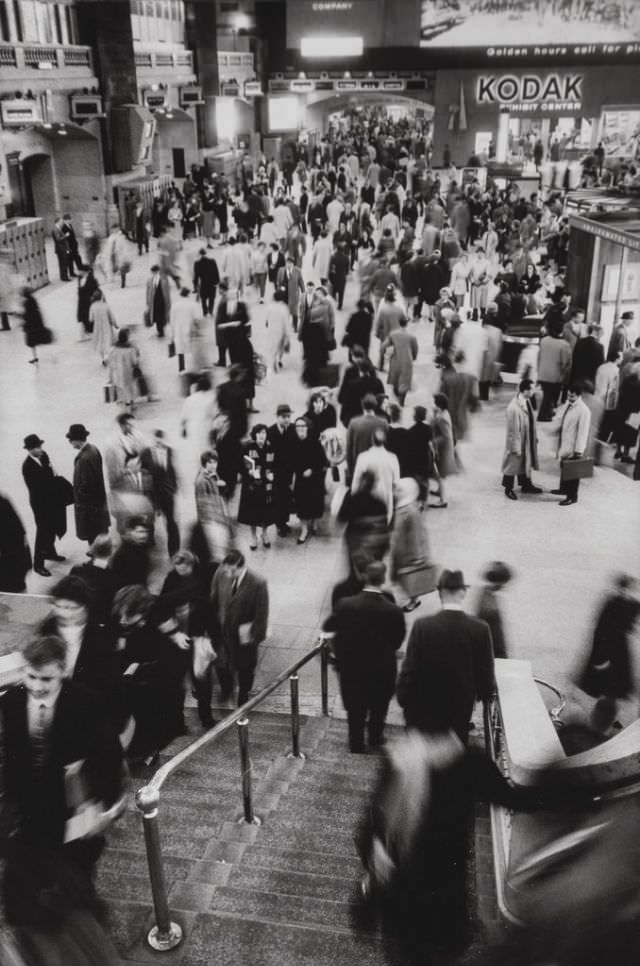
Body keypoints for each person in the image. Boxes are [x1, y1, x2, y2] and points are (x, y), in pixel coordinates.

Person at [1, 635, 124, 933]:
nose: (38, 686)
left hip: (74, 805)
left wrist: (105, 807)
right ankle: (31, 926)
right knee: (20, 877)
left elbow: (108, 758)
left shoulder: (87, 702)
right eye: (31, 676)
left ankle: (85, 926)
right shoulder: (11, 702)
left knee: (76, 872)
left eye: (47, 678)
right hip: (27, 804)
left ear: (62, 671)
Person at [396, 568, 495, 742]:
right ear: (463, 593)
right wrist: (484, 693)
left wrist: (404, 697)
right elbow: (485, 672)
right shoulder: (480, 628)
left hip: (425, 704)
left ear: (440, 593)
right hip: (460, 706)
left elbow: (409, 668)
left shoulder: (423, 626)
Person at [331, 560, 405, 753]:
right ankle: (375, 737)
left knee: (355, 709)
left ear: (365, 578)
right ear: (383, 579)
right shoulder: (394, 611)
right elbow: (397, 640)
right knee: (379, 707)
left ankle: (356, 743)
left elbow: (337, 634)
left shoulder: (345, 605)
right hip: (382, 669)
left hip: (353, 669)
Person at [111, 585, 188, 762]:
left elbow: (174, 665)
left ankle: (148, 752)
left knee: (151, 728)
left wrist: (136, 668)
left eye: (128, 616)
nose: (123, 620)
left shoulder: (161, 627)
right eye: (121, 615)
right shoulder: (126, 625)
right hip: (134, 689)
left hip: (155, 692)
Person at [577, 574, 640, 733]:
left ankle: (601, 720)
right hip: (617, 649)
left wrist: (598, 657)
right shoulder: (629, 604)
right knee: (613, 686)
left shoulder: (613, 603)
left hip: (609, 648)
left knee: (607, 685)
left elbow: (599, 628)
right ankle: (603, 719)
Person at [209, 549, 269, 705]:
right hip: (222, 631)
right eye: (226, 569)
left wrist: (255, 637)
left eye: (232, 570)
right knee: (221, 664)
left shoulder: (258, 583)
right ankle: (226, 689)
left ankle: (244, 692)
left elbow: (262, 613)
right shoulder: (221, 573)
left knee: (245, 667)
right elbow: (213, 599)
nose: (228, 573)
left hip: (244, 635)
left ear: (241, 566)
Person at [22, 434, 67, 578]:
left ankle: (50, 552)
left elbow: (52, 473)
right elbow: (39, 488)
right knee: (43, 532)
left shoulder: (44, 456)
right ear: (29, 450)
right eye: (37, 447)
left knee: (53, 526)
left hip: (51, 500)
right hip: (40, 504)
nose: (40, 449)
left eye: (40, 446)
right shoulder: (27, 466)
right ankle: (38, 565)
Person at [390, 478, 433, 613]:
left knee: (410, 577)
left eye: (399, 490)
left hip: (409, 552)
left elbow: (416, 535)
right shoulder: (403, 508)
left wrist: (418, 556)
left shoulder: (411, 512)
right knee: (398, 575)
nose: (395, 493)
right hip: (401, 549)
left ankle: (414, 600)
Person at [66, 424, 110, 545]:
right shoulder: (93, 449)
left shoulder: (84, 458)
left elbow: (86, 484)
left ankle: (97, 562)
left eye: (71, 440)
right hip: (99, 504)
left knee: (93, 535)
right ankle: (100, 560)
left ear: (76, 440)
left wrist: (79, 495)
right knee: (100, 534)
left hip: (90, 507)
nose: (70, 443)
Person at [549, 382, 592, 506]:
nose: (569, 398)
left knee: (573, 472)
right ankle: (563, 489)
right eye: (568, 395)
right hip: (564, 442)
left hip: (574, 445)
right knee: (564, 466)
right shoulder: (568, 404)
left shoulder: (584, 411)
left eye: (572, 396)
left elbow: (583, 432)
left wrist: (578, 450)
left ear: (579, 395)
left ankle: (572, 496)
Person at [501, 379, 543, 500]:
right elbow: (512, 432)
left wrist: (534, 437)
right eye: (532, 389)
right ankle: (508, 489)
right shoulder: (513, 408)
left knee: (525, 462)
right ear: (525, 391)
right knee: (512, 464)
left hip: (526, 438)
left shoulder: (526, 401)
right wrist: (515, 447)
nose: (534, 391)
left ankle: (526, 484)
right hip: (518, 441)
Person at [238, 424, 276, 550]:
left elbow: (276, 464)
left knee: (267, 511)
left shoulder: (271, 448)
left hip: (266, 485)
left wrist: (273, 474)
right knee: (252, 512)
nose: (262, 436)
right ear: (255, 435)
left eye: (264, 433)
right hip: (251, 486)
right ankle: (253, 536)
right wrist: (248, 473)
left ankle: (264, 533)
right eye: (259, 433)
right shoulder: (248, 448)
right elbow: (240, 466)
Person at [352, 428, 400, 525]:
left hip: (366, 502)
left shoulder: (363, 457)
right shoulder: (392, 458)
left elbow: (356, 482)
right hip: (386, 501)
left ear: (372, 440)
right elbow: (396, 483)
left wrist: (354, 500)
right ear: (384, 441)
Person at [195, 449, 234, 569]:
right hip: (211, 521)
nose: (213, 465)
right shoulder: (202, 481)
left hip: (218, 515)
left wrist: (222, 486)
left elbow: (220, 495)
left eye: (215, 462)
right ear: (204, 463)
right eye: (210, 462)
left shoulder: (214, 475)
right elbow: (203, 505)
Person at [144, 429, 180, 558]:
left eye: (161, 441)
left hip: (167, 493)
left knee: (171, 522)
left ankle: (174, 550)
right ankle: (149, 541)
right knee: (149, 519)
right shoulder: (146, 453)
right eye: (156, 442)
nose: (159, 444)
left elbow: (172, 470)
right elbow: (143, 473)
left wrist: (173, 487)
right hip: (152, 494)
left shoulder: (170, 451)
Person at [291, 416, 326, 544]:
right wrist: (300, 471)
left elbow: (322, 461)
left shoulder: (314, 442)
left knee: (315, 502)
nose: (300, 429)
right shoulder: (293, 442)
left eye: (302, 426)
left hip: (315, 478)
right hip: (301, 479)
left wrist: (312, 469)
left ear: (307, 428)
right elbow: (291, 461)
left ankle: (315, 521)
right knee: (302, 504)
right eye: (297, 426)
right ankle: (304, 529)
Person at [69, 534, 117, 627]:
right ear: (111, 551)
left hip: (77, 617)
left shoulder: (77, 570)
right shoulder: (112, 577)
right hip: (98, 620)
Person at [345, 393, 388, 483]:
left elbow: (349, 448)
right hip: (377, 465)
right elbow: (386, 445)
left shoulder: (353, 423)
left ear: (362, 406)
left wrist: (350, 471)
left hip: (359, 466)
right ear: (375, 406)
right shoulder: (383, 423)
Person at [268, 404, 296, 538]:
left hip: (288, 471)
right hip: (275, 472)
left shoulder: (292, 429)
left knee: (286, 497)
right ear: (277, 417)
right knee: (278, 498)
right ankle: (279, 525)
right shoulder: (270, 432)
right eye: (284, 417)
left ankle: (284, 522)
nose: (287, 420)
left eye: (289, 417)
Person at [475, 561, 513, 660]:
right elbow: (497, 638)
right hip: (491, 654)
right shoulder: (490, 605)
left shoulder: (484, 594)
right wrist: (504, 658)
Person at [537, 323, 574, 421]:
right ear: (561, 332)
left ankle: (547, 413)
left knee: (547, 394)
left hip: (543, 373)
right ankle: (543, 415)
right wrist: (565, 374)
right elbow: (565, 362)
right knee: (551, 396)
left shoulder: (544, 341)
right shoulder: (564, 345)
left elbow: (539, 356)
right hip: (556, 375)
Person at [383, 315, 418, 406]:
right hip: (407, 361)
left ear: (399, 323)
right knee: (404, 382)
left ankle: (397, 395)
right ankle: (401, 400)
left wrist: (385, 354)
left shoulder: (393, 334)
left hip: (395, 360)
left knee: (395, 380)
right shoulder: (412, 336)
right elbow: (415, 349)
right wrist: (413, 357)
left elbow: (384, 345)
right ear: (406, 324)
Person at [110, 515, 152, 591]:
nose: (144, 535)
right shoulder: (122, 555)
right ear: (129, 532)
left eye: (146, 532)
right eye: (140, 532)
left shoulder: (141, 548)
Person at [0, 494, 32, 593]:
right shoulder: (4, 502)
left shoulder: (3, 504)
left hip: (10, 569)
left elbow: (19, 534)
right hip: (14, 566)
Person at [215, 283, 250, 369]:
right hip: (230, 335)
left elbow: (246, 319)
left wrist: (237, 321)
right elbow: (221, 320)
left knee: (238, 354)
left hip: (238, 335)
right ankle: (234, 366)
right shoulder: (225, 305)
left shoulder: (241, 305)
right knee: (233, 353)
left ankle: (237, 366)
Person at [169, 287, 201, 374]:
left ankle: (181, 368)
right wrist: (198, 329)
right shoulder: (192, 304)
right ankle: (195, 367)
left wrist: (172, 334)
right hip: (190, 329)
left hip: (178, 330)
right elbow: (197, 319)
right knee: (192, 349)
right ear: (188, 294)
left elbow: (171, 320)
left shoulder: (175, 305)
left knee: (180, 350)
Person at [108, 327, 140, 410]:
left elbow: (108, 360)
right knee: (129, 389)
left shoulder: (113, 348)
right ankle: (130, 405)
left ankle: (121, 401)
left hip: (116, 372)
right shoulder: (131, 349)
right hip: (128, 373)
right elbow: (135, 361)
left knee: (120, 387)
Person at [20, 286, 52, 364]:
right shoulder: (33, 300)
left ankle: (36, 357)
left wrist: (19, 316)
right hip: (36, 323)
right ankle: (37, 357)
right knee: (38, 341)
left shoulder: (27, 303)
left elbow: (27, 315)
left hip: (31, 326)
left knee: (32, 342)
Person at [276, 255, 305, 332]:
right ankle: (284, 327)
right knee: (284, 311)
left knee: (294, 312)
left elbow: (301, 282)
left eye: (290, 263)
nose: (288, 265)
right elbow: (278, 282)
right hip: (284, 295)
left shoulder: (297, 271)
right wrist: (279, 289)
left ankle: (295, 326)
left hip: (293, 294)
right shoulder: (281, 270)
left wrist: (303, 292)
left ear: (293, 264)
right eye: (287, 263)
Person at [266, 287, 292, 372]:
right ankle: (279, 360)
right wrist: (288, 334)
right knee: (281, 347)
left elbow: (267, 318)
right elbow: (286, 321)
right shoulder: (284, 308)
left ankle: (274, 360)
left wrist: (267, 324)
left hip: (272, 329)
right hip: (281, 330)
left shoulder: (271, 306)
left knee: (273, 346)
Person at [90, 289, 118, 366]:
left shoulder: (93, 306)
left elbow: (91, 319)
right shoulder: (106, 306)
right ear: (101, 296)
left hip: (97, 327)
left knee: (100, 342)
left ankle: (103, 358)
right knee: (108, 342)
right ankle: (107, 357)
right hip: (107, 326)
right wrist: (115, 324)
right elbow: (112, 317)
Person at [193, 247, 220, 317]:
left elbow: (196, 276)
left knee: (203, 300)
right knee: (212, 299)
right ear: (206, 253)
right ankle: (210, 311)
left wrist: (195, 286)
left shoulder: (197, 263)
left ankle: (205, 312)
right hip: (212, 283)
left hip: (203, 284)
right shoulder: (212, 261)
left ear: (199, 254)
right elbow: (216, 272)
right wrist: (217, 282)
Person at [145, 265, 171, 337]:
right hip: (154, 301)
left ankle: (161, 330)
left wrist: (168, 302)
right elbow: (147, 291)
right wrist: (147, 301)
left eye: (155, 272)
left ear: (158, 271)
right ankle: (160, 329)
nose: (154, 273)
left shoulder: (164, 279)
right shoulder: (149, 280)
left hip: (162, 300)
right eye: (153, 272)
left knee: (162, 315)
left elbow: (167, 291)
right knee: (155, 316)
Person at [52, 214, 72, 281]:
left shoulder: (58, 228)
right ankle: (65, 277)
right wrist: (65, 236)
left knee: (63, 263)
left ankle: (63, 277)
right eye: (61, 221)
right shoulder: (56, 229)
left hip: (62, 249)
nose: (62, 222)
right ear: (57, 222)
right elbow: (58, 239)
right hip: (61, 249)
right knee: (64, 263)